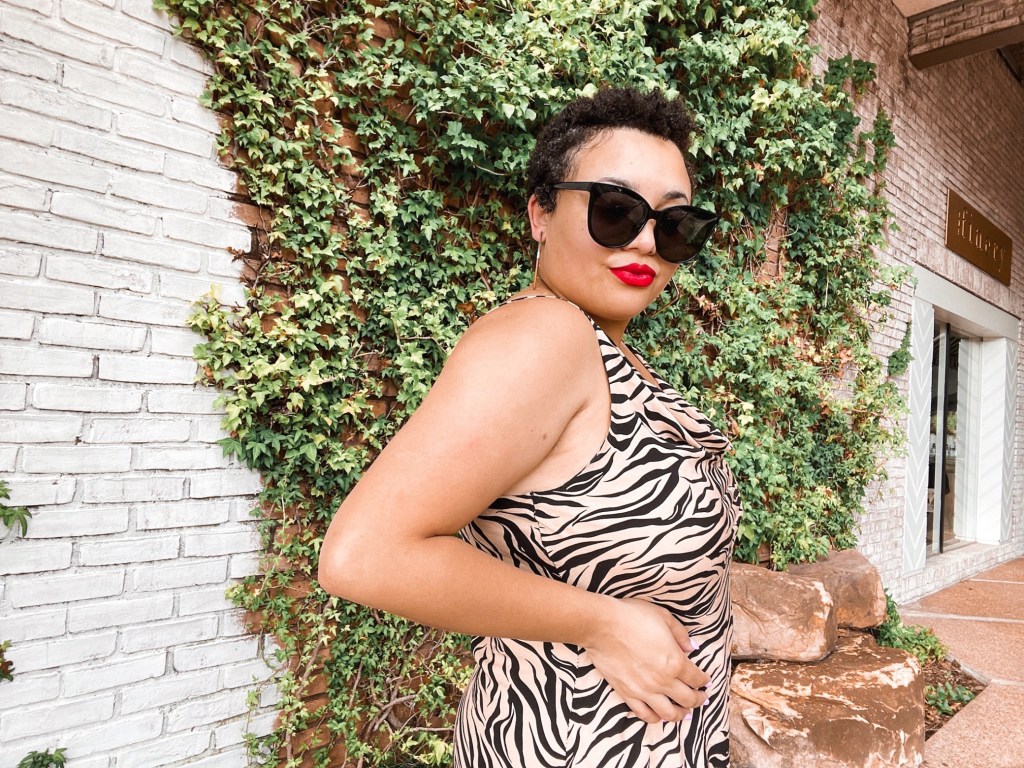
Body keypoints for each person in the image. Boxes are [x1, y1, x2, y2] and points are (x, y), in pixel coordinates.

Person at [318, 86, 741, 768]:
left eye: (674, 224)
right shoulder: (545, 338)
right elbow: (365, 555)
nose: (645, 241)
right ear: (541, 213)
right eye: (615, 209)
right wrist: (603, 623)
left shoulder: (605, 355)